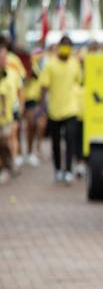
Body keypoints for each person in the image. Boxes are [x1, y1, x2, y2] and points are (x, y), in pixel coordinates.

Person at [38, 36, 82, 184]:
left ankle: (69, 170)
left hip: (71, 109)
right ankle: (58, 169)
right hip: (55, 110)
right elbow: (44, 87)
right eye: (63, 46)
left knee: (70, 138)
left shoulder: (75, 63)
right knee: (56, 142)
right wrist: (42, 107)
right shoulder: (50, 64)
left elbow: (78, 82)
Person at [0, 37, 24, 183]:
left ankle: (9, 164)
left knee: (6, 140)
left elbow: (20, 90)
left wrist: (20, 106)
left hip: (8, 113)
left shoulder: (13, 70)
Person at [22, 50, 46, 167]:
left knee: (40, 125)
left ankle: (36, 149)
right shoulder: (28, 66)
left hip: (38, 100)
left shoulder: (42, 65)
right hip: (29, 100)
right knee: (31, 125)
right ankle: (29, 152)